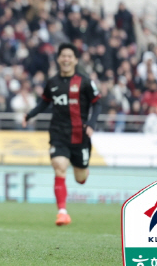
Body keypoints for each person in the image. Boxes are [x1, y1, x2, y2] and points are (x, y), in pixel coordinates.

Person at [21, 43, 101, 226]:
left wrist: (92, 123)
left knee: (80, 178)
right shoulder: (52, 83)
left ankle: (82, 169)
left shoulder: (85, 82)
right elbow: (44, 103)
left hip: (80, 136)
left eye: (69, 56)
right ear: (58, 59)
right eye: (63, 56)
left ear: (75, 60)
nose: (66, 59)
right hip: (58, 133)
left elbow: (97, 103)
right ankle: (62, 213)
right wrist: (29, 115)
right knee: (59, 165)